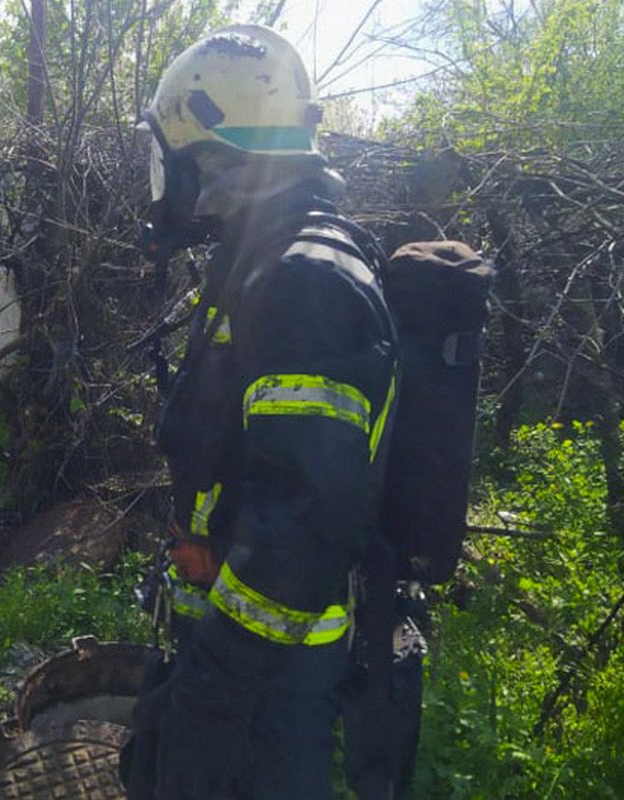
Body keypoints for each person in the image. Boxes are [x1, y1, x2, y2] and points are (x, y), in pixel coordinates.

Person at [122, 25, 404, 799]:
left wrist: (212, 680)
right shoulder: (259, 263)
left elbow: (306, 522)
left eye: (171, 154)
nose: (167, 179)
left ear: (213, 150)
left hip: (266, 680)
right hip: (242, 662)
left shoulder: (302, 282)